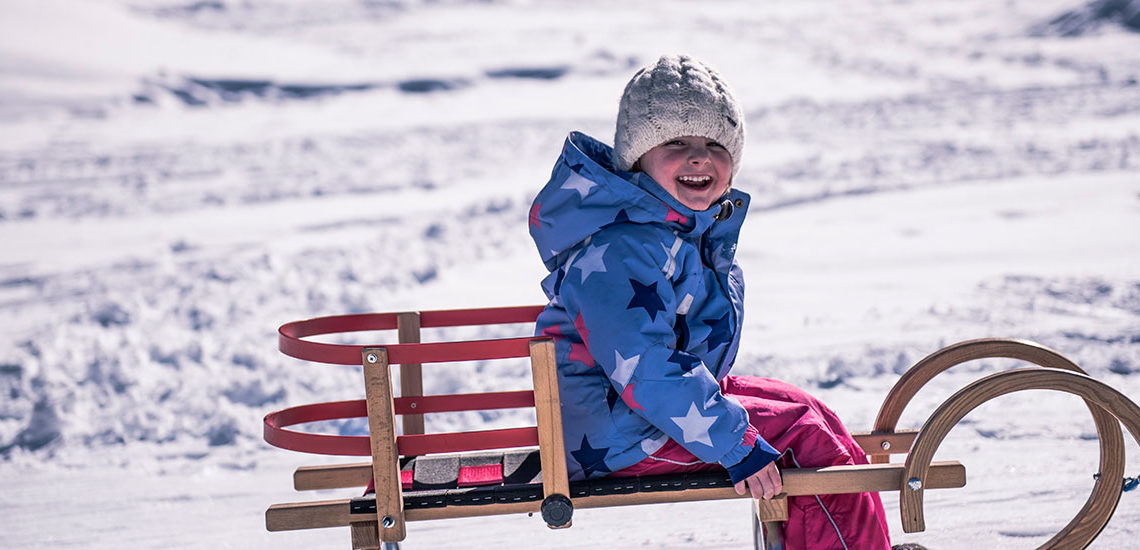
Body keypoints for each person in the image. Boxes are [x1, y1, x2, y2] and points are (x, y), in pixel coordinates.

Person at [528, 54, 892, 549]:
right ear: (638, 157)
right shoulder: (623, 247)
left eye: (715, 144)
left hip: (638, 414)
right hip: (624, 433)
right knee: (807, 440)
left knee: (808, 411)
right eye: (676, 142)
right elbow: (644, 364)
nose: (700, 158)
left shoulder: (668, 233)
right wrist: (731, 440)